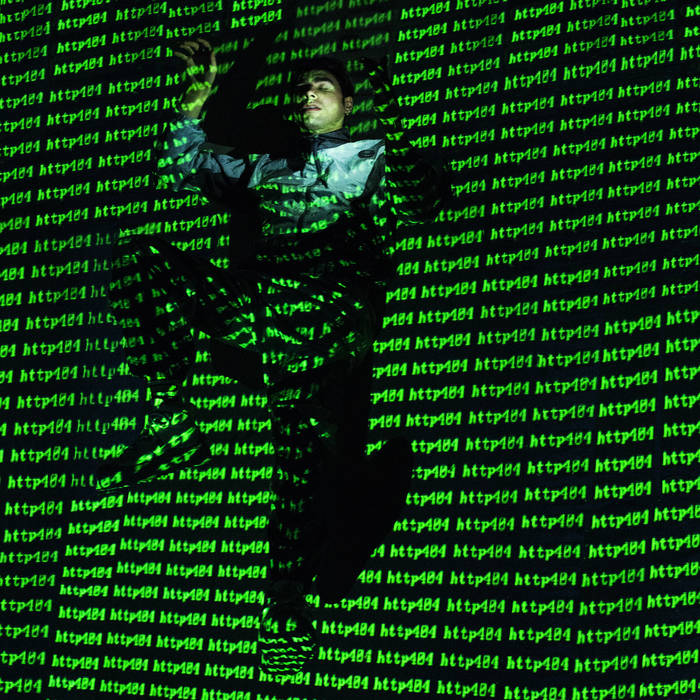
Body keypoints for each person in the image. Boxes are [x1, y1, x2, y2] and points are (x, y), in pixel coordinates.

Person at [95, 36, 445, 676]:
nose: (308, 92)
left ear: (348, 104)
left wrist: (392, 108)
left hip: (323, 327)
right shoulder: (270, 165)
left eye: (323, 85)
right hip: (260, 309)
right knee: (140, 264)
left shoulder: (373, 160)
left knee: (297, 465)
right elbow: (185, 167)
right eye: (303, 86)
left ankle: (286, 605)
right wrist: (194, 99)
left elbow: (422, 199)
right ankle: (173, 420)